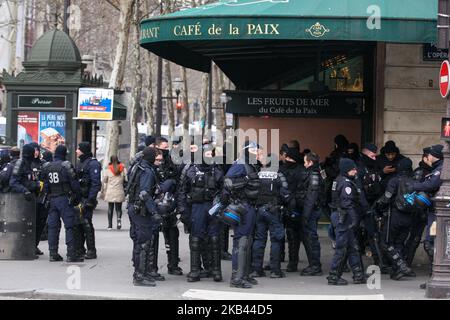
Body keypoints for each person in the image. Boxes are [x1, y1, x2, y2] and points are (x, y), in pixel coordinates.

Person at [178, 142, 224, 282]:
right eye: (207, 154)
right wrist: (183, 210)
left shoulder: (217, 170)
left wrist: (221, 205)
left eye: (211, 154)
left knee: (215, 239)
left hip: (212, 207)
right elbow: (182, 191)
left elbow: (223, 190)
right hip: (196, 207)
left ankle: (216, 271)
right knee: (196, 239)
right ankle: (195, 271)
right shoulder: (190, 170)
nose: (209, 157)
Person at [221, 141, 262, 288]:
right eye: (255, 150)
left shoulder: (251, 165)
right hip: (242, 207)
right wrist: (245, 180)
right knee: (241, 242)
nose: (258, 153)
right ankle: (237, 278)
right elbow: (228, 182)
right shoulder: (240, 164)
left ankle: (245, 274)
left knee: (248, 241)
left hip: (250, 206)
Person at [374, 158, 416, 280]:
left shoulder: (395, 180)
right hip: (409, 217)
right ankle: (398, 270)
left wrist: (378, 208)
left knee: (386, 243)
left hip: (395, 215)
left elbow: (386, 198)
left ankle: (401, 266)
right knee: (398, 243)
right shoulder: (414, 181)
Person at [250, 153, 290, 279]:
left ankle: (257, 269)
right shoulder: (279, 175)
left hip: (259, 210)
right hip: (274, 210)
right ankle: (275, 270)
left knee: (259, 240)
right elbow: (285, 193)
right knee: (276, 240)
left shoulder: (257, 174)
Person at [327, 158, 366, 285]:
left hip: (340, 216)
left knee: (352, 246)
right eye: (353, 169)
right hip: (343, 217)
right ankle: (334, 276)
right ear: (346, 170)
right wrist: (354, 219)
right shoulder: (346, 183)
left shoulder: (338, 180)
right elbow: (347, 203)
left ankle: (358, 274)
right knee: (342, 247)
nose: (355, 171)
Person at [43, 146, 83, 262]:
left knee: (53, 227)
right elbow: (75, 184)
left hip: (52, 199)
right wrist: (77, 198)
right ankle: (71, 254)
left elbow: (45, 186)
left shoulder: (47, 166)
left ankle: (53, 253)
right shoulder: (66, 166)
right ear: (64, 153)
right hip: (65, 199)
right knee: (70, 226)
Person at [127, 147, 160, 287]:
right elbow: (144, 194)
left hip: (134, 208)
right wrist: (154, 212)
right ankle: (139, 276)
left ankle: (142, 272)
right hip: (141, 211)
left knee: (139, 242)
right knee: (143, 243)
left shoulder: (138, 167)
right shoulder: (147, 171)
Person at [412, 145, 443, 289]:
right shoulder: (437, 168)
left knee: (432, 244)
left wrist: (414, 185)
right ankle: (434, 277)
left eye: (428, 155)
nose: (427, 157)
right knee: (431, 243)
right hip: (435, 212)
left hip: (439, 214)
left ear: (433, 155)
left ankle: (436, 277)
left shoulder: (441, 168)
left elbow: (431, 185)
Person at [154, 137, 183, 276]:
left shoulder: (171, 161)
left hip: (169, 205)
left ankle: (173, 264)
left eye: (167, 148)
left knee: (172, 234)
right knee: (152, 238)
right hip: (155, 205)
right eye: (163, 148)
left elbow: (178, 182)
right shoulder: (150, 160)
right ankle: (152, 267)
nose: (165, 150)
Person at [404, 148, 433, 267]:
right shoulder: (419, 172)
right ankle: (406, 264)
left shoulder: (434, 171)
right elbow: (414, 193)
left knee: (431, 241)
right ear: (425, 158)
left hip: (430, 210)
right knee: (415, 239)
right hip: (420, 211)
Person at [299, 152, 325, 276]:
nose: (304, 164)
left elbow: (312, 196)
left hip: (311, 211)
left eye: (305, 162)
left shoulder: (314, 174)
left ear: (310, 162)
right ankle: (313, 264)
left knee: (311, 238)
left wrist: (306, 214)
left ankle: (315, 266)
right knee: (309, 238)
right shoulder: (318, 172)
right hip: (313, 209)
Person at [74, 142, 102, 260]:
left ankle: (91, 250)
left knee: (86, 224)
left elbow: (96, 184)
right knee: (78, 224)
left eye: (78, 149)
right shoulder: (81, 162)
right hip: (79, 198)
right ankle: (80, 248)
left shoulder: (93, 163)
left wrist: (91, 199)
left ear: (83, 150)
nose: (76, 151)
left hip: (86, 198)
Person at [280, 147, 305, 272]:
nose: (287, 160)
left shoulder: (301, 171)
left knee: (292, 235)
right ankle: (279, 259)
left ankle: (293, 262)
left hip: (294, 206)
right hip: (281, 205)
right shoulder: (282, 168)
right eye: (286, 157)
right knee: (279, 233)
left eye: (289, 158)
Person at [102, 155, 127, 230]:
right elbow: (126, 178)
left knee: (110, 208)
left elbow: (105, 180)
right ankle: (119, 220)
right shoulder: (122, 168)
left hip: (110, 191)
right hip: (119, 191)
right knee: (119, 208)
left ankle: (110, 226)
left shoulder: (108, 169)